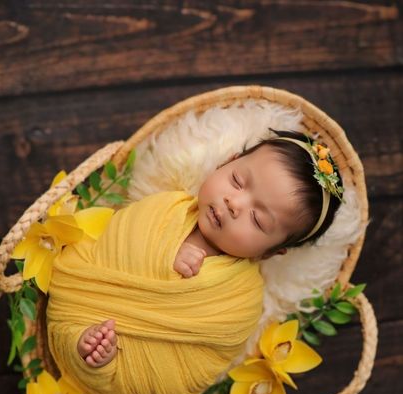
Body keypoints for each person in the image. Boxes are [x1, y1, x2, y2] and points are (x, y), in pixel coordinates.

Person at [76, 128, 345, 371]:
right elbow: (117, 234)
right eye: (237, 181)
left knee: (105, 357)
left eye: (257, 219)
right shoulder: (164, 209)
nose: (234, 203)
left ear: (270, 252)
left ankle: (99, 358)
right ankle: (84, 342)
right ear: (227, 162)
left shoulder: (241, 297)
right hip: (83, 300)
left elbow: (207, 358)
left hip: (141, 365)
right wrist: (162, 252)